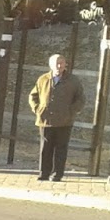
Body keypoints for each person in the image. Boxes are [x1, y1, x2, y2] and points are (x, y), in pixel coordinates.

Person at [28, 53, 85, 182]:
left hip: (65, 121)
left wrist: (71, 111)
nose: (59, 66)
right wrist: (38, 109)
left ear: (65, 65)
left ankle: (57, 174)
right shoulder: (43, 79)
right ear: (51, 65)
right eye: (56, 63)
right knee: (45, 148)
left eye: (62, 63)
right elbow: (33, 96)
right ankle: (44, 173)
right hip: (45, 120)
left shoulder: (73, 80)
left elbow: (80, 99)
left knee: (61, 148)